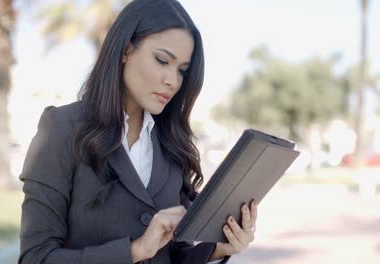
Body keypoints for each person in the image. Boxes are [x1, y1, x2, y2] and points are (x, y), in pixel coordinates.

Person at [18, 0, 257, 263]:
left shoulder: (170, 144)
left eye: (182, 71)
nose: (173, 81)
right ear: (125, 49)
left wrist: (219, 248)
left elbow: (171, 253)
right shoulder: (63, 128)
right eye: (162, 60)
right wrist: (135, 251)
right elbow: (35, 257)